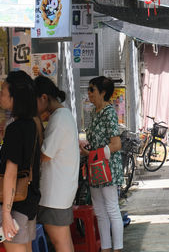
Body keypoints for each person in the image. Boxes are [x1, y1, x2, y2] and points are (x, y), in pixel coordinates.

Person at [0, 71, 43, 251]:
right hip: (28, 201)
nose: (0, 96)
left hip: (15, 204)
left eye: (3, 92)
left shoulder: (15, 128)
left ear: (15, 98)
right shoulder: (31, 124)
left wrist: (6, 214)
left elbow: (11, 172)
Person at [34, 76, 79, 252]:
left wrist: (37, 122)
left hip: (55, 194)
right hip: (60, 191)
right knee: (63, 241)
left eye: (34, 102)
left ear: (44, 98)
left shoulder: (59, 118)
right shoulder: (62, 115)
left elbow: (44, 154)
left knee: (60, 242)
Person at [79, 76, 123, 252]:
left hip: (107, 167)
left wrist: (93, 154)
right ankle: (105, 248)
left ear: (103, 92)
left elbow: (116, 144)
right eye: (89, 90)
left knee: (111, 208)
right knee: (99, 210)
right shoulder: (94, 113)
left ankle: (117, 248)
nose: (89, 93)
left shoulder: (109, 112)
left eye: (92, 90)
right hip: (94, 166)